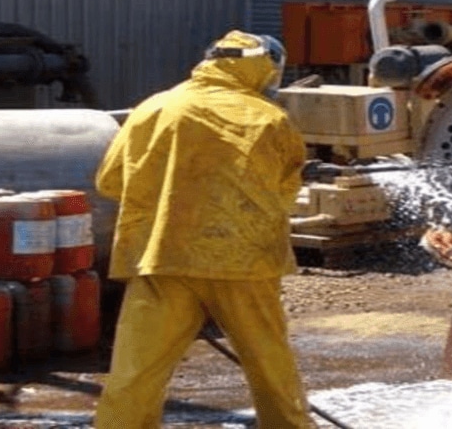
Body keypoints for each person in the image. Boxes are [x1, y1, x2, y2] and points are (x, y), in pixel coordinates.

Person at [93, 30, 314, 428]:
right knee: (270, 367)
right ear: (262, 67)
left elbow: (109, 182)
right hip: (246, 266)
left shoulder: (153, 109)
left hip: (163, 258)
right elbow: (285, 192)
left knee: (135, 374)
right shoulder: (269, 119)